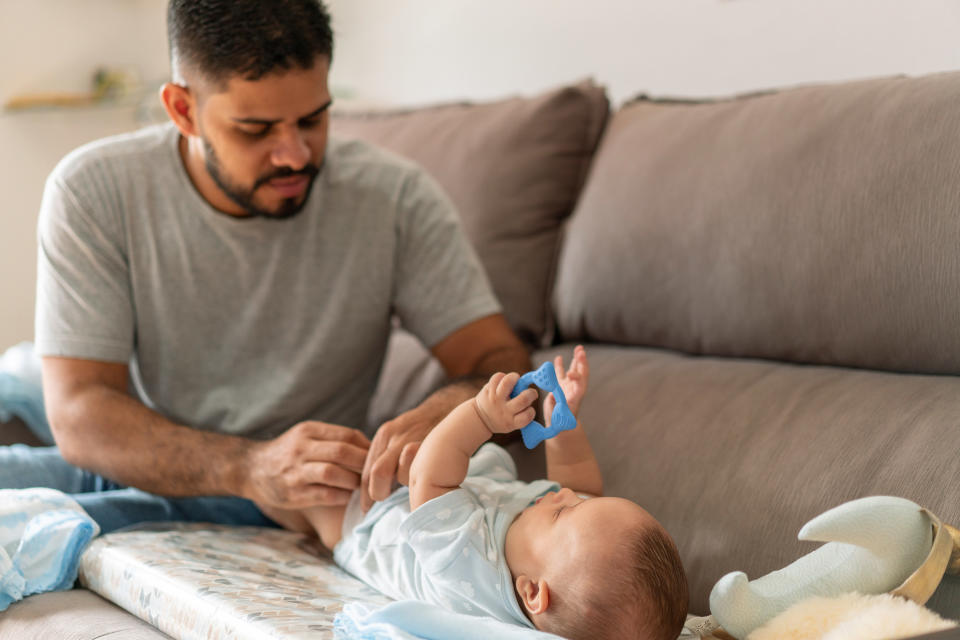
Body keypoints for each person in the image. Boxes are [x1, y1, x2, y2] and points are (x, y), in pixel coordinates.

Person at [1, 0, 530, 533]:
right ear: (183, 110)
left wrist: (453, 410)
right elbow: (80, 414)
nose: (296, 155)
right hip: (143, 466)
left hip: (307, 502)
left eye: (313, 119)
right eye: (256, 130)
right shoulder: (95, 190)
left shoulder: (397, 199)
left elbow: (499, 359)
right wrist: (249, 467)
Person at [263, 347, 690, 640]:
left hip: (373, 521)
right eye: (583, 504)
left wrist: (481, 416)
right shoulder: (547, 549)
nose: (565, 496)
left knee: (317, 495)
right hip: (452, 490)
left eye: (566, 512)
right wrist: (563, 428)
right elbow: (580, 482)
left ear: (532, 593)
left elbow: (431, 479)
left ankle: (262, 499)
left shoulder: (470, 567)